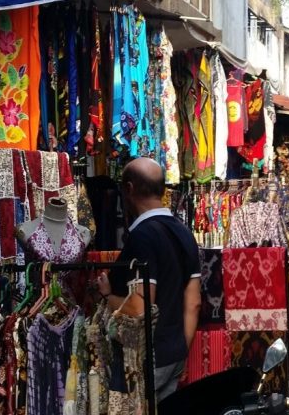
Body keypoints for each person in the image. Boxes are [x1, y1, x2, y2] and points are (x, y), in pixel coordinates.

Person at [97, 158, 202, 399]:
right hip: (173, 354)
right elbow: (193, 303)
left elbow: (139, 307)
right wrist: (180, 351)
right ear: (162, 189)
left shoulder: (142, 237)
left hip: (147, 359)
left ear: (129, 189)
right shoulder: (184, 233)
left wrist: (106, 296)